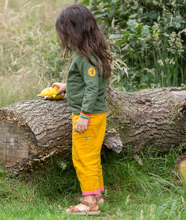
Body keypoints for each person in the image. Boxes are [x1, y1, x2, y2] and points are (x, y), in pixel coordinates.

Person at [52, 3, 112, 215]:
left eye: (65, 33)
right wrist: (66, 86)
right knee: (92, 156)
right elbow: (88, 82)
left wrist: (84, 116)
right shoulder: (90, 53)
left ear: (73, 31)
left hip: (89, 115)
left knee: (82, 158)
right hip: (97, 114)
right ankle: (96, 194)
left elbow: (92, 87)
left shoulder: (85, 57)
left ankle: (89, 203)